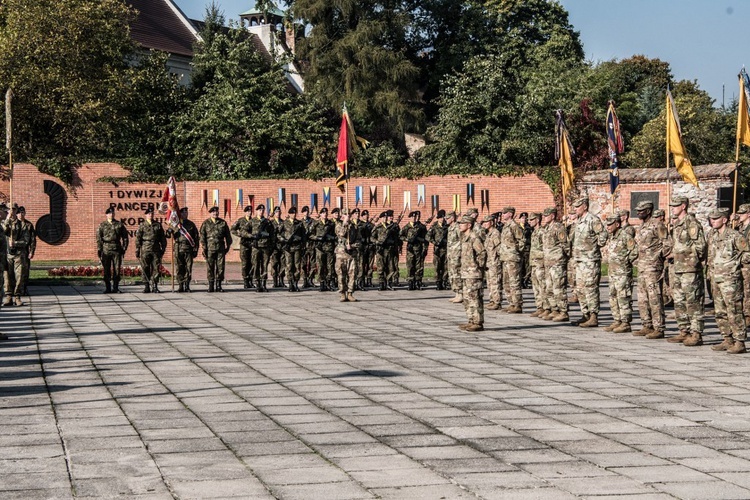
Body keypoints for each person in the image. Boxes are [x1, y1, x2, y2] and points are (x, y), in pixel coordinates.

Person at [706, 207, 749, 354]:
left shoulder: (735, 236)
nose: (713, 221)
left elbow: (747, 254)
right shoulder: (712, 235)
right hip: (716, 277)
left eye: (716, 218)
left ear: (724, 220)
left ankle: (739, 341)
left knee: (734, 310)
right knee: (720, 311)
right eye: (711, 219)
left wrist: (735, 263)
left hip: (730, 279)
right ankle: (727, 338)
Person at [666, 196, 707, 346]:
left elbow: (701, 246)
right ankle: (684, 330)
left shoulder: (691, 223)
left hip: (689, 269)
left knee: (693, 302)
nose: (673, 208)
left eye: (676, 206)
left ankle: (696, 333)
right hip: (677, 268)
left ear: (683, 206)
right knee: (679, 301)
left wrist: (685, 258)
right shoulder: (677, 224)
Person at [633, 201, 671, 338]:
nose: (638, 213)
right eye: (637, 211)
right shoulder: (642, 226)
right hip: (642, 267)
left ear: (648, 211)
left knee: (655, 297)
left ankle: (659, 327)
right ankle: (646, 324)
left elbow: (667, 244)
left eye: (641, 211)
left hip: (653, 267)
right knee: (642, 298)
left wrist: (658, 257)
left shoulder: (657, 225)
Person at [570, 197, 608, 327]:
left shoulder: (593, 219)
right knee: (580, 289)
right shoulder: (579, 221)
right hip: (580, 260)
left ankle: (593, 315)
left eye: (577, 206)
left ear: (584, 206)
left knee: (590, 288)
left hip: (590, 260)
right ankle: (585, 314)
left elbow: (603, 235)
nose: (575, 209)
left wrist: (594, 247)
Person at [603, 214, 638, 333]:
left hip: (622, 273)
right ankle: (617, 319)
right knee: (613, 296)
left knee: (623, 297)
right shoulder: (612, 237)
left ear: (617, 224)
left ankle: (625, 322)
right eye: (607, 224)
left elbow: (635, 251)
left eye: (610, 224)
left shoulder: (625, 236)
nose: (607, 227)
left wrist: (626, 261)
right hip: (613, 272)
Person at [540, 207, 569, 322]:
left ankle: (563, 311)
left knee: (558, 288)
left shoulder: (558, 227)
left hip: (557, 263)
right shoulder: (547, 228)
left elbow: (565, 245)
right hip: (548, 263)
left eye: (546, 216)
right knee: (549, 288)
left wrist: (562, 258)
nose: (544, 218)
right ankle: (554, 309)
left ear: (552, 216)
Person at [458, 214, 486, 332]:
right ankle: (471, 320)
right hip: (466, 273)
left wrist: (478, 267)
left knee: (475, 298)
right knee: (467, 298)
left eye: (462, 223)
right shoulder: (464, 237)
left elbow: (482, 253)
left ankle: (477, 322)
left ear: (469, 225)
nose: (460, 226)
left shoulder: (474, 237)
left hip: (474, 273)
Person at [4, 206, 33, 305]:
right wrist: (8, 218)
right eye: (10, 210)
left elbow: (26, 240)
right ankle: (8, 296)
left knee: (19, 276)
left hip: (19, 255)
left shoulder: (22, 225)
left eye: (14, 210)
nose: (12, 212)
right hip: (7, 254)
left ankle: (17, 296)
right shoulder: (5, 223)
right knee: (8, 276)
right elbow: (3, 230)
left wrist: (15, 243)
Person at [199, 206, 232, 292]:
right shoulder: (206, 223)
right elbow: (202, 236)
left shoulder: (223, 223)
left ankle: (218, 285)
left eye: (216, 212)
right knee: (210, 267)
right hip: (209, 249)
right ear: (210, 213)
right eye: (213, 212)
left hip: (220, 249)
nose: (215, 213)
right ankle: (210, 285)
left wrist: (227, 247)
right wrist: (204, 247)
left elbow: (228, 236)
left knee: (220, 267)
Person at [499, 207, 525, 313]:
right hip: (505, 258)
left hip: (512, 258)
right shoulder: (506, 226)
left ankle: (517, 304)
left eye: (504, 213)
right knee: (506, 282)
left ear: (510, 214)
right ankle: (511, 303)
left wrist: (515, 251)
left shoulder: (514, 226)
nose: (502, 215)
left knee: (514, 282)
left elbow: (522, 240)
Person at [96, 207, 129, 294]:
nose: (111, 215)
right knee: (106, 269)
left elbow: (125, 237)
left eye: (113, 213)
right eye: (110, 213)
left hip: (116, 248)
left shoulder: (119, 224)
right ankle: (108, 287)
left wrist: (124, 247)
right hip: (106, 248)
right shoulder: (102, 225)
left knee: (117, 269)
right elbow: (99, 238)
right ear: (106, 215)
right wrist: (99, 249)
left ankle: (116, 287)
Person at [135, 207, 167, 293]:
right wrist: (137, 249)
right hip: (145, 249)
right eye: (149, 214)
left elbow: (162, 238)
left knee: (156, 268)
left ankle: (155, 286)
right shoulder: (142, 225)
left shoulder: (158, 225)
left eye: (152, 214)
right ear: (146, 215)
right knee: (145, 267)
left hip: (156, 249)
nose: (150, 215)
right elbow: (138, 238)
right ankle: (146, 286)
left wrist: (163, 248)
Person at [169, 207, 199, 292]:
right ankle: (180, 285)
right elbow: (167, 235)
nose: (185, 214)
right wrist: (169, 231)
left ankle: (187, 285)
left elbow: (196, 238)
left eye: (186, 213)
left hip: (188, 249)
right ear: (180, 214)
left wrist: (195, 249)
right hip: (178, 248)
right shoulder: (175, 224)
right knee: (179, 267)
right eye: (183, 213)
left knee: (188, 268)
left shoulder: (191, 224)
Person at [335, 208, 361, 302]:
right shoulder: (338, 225)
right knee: (341, 274)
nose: (348, 216)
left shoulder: (355, 226)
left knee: (352, 274)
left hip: (351, 254)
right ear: (342, 215)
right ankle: (342, 293)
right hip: (341, 253)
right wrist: (344, 224)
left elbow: (359, 240)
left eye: (349, 214)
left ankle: (350, 293)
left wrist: (353, 246)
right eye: (346, 214)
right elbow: (341, 234)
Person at [400, 210, 428, 290]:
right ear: (410, 218)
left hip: (418, 248)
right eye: (412, 217)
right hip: (410, 250)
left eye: (415, 217)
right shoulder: (407, 227)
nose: (414, 218)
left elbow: (426, 238)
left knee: (419, 266)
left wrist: (422, 243)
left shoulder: (421, 227)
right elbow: (400, 236)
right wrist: (407, 239)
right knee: (410, 266)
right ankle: (410, 282)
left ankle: (418, 282)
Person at [281, 206, 306, 292]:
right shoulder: (284, 223)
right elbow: (278, 233)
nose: (294, 214)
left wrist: (303, 245)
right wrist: (283, 240)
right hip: (288, 247)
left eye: (295, 213)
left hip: (297, 247)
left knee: (297, 265)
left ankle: (296, 283)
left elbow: (303, 236)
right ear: (289, 214)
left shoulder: (299, 223)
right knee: (289, 265)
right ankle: (290, 283)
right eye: (292, 213)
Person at [249, 204, 274, 292]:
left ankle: (263, 284)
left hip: (265, 247)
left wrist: (271, 246)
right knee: (256, 265)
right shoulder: (252, 221)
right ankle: (258, 284)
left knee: (265, 265)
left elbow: (272, 235)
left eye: (263, 210)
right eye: (259, 210)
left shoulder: (268, 222)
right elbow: (244, 231)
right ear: (256, 211)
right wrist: (251, 236)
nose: (261, 211)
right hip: (256, 247)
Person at [311, 207, 336, 292]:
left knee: (330, 266)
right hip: (320, 247)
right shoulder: (316, 224)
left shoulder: (331, 224)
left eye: (326, 213)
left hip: (329, 247)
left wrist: (331, 238)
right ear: (320, 214)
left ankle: (329, 283)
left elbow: (335, 235)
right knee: (321, 266)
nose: (325, 214)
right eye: (323, 213)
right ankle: (322, 283)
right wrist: (317, 237)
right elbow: (310, 234)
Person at [231, 205, 255, 289]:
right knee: (245, 263)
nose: (249, 213)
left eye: (250, 211)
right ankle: (245, 280)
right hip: (244, 244)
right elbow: (233, 229)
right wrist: (240, 234)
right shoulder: (241, 221)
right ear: (245, 212)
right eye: (248, 211)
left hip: (252, 244)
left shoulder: (254, 221)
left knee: (252, 263)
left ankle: (250, 280)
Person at [528, 213, 546, 317]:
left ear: (537, 220)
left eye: (532, 219)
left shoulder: (542, 232)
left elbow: (545, 248)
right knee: (536, 286)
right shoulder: (534, 232)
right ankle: (539, 306)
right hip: (534, 263)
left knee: (542, 285)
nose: (529, 221)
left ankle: (545, 307)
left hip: (540, 262)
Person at [427, 210, 449, 290]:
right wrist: (435, 242)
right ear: (438, 218)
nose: (442, 219)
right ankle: (438, 282)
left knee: (446, 267)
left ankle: (444, 281)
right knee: (437, 267)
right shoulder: (434, 226)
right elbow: (428, 236)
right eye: (440, 218)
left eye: (443, 217)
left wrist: (447, 241)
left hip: (446, 249)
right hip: (437, 250)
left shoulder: (447, 226)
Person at [736, 203, 750, 324]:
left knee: (747, 291)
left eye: (742, 213)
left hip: (747, 264)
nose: (739, 215)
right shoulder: (740, 228)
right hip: (740, 264)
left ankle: (748, 315)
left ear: (748, 214)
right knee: (741, 290)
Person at [17, 207, 35, 296]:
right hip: (14, 251)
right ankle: (15, 291)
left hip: (24, 251)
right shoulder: (14, 224)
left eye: (22, 212)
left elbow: (32, 240)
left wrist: (32, 251)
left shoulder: (28, 225)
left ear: (25, 213)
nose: (21, 214)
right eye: (19, 213)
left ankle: (23, 289)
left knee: (25, 271)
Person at [446, 211, 463, 302]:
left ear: (452, 218)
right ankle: (457, 293)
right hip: (451, 255)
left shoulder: (457, 227)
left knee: (457, 274)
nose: (446, 220)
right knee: (452, 274)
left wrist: (459, 252)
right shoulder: (450, 228)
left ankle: (460, 294)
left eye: (448, 218)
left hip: (456, 255)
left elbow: (461, 240)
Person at [300, 206, 317, 288]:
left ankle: (311, 279)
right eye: (304, 211)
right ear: (302, 213)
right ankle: (305, 280)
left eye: (307, 211)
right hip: (303, 246)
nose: (306, 213)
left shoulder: (313, 221)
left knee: (312, 263)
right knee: (303, 264)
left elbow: (315, 232)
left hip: (311, 245)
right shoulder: (300, 222)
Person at [269, 206, 286, 288]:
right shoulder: (271, 223)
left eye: (279, 212)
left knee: (282, 264)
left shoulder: (284, 222)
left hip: (282, 246)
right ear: (274, 213)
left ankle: (281, 280)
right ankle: (275, 281)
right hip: (274, 246)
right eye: (276, 212)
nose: (278, 213)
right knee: (274, 263)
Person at [359, 210, 375, 289]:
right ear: (362, 216)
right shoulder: (360, 224)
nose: (366, 216)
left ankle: (369, 280)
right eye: (365, 215)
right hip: (362, 247)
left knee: (370, 264)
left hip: (370, 246)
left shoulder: (371, 225)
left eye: (367, 215)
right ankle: (361, 280)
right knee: (362, 264)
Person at [519, 212, 532, 288]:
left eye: (525, 218)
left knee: (527, 267)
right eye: (523, 218)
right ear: (520, 219)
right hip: (520, 250)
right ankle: (521, 281)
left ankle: (525, 280)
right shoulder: (517, 227)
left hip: (527, 250)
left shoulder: (529, 228)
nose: (524, 220)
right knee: (521, 267)